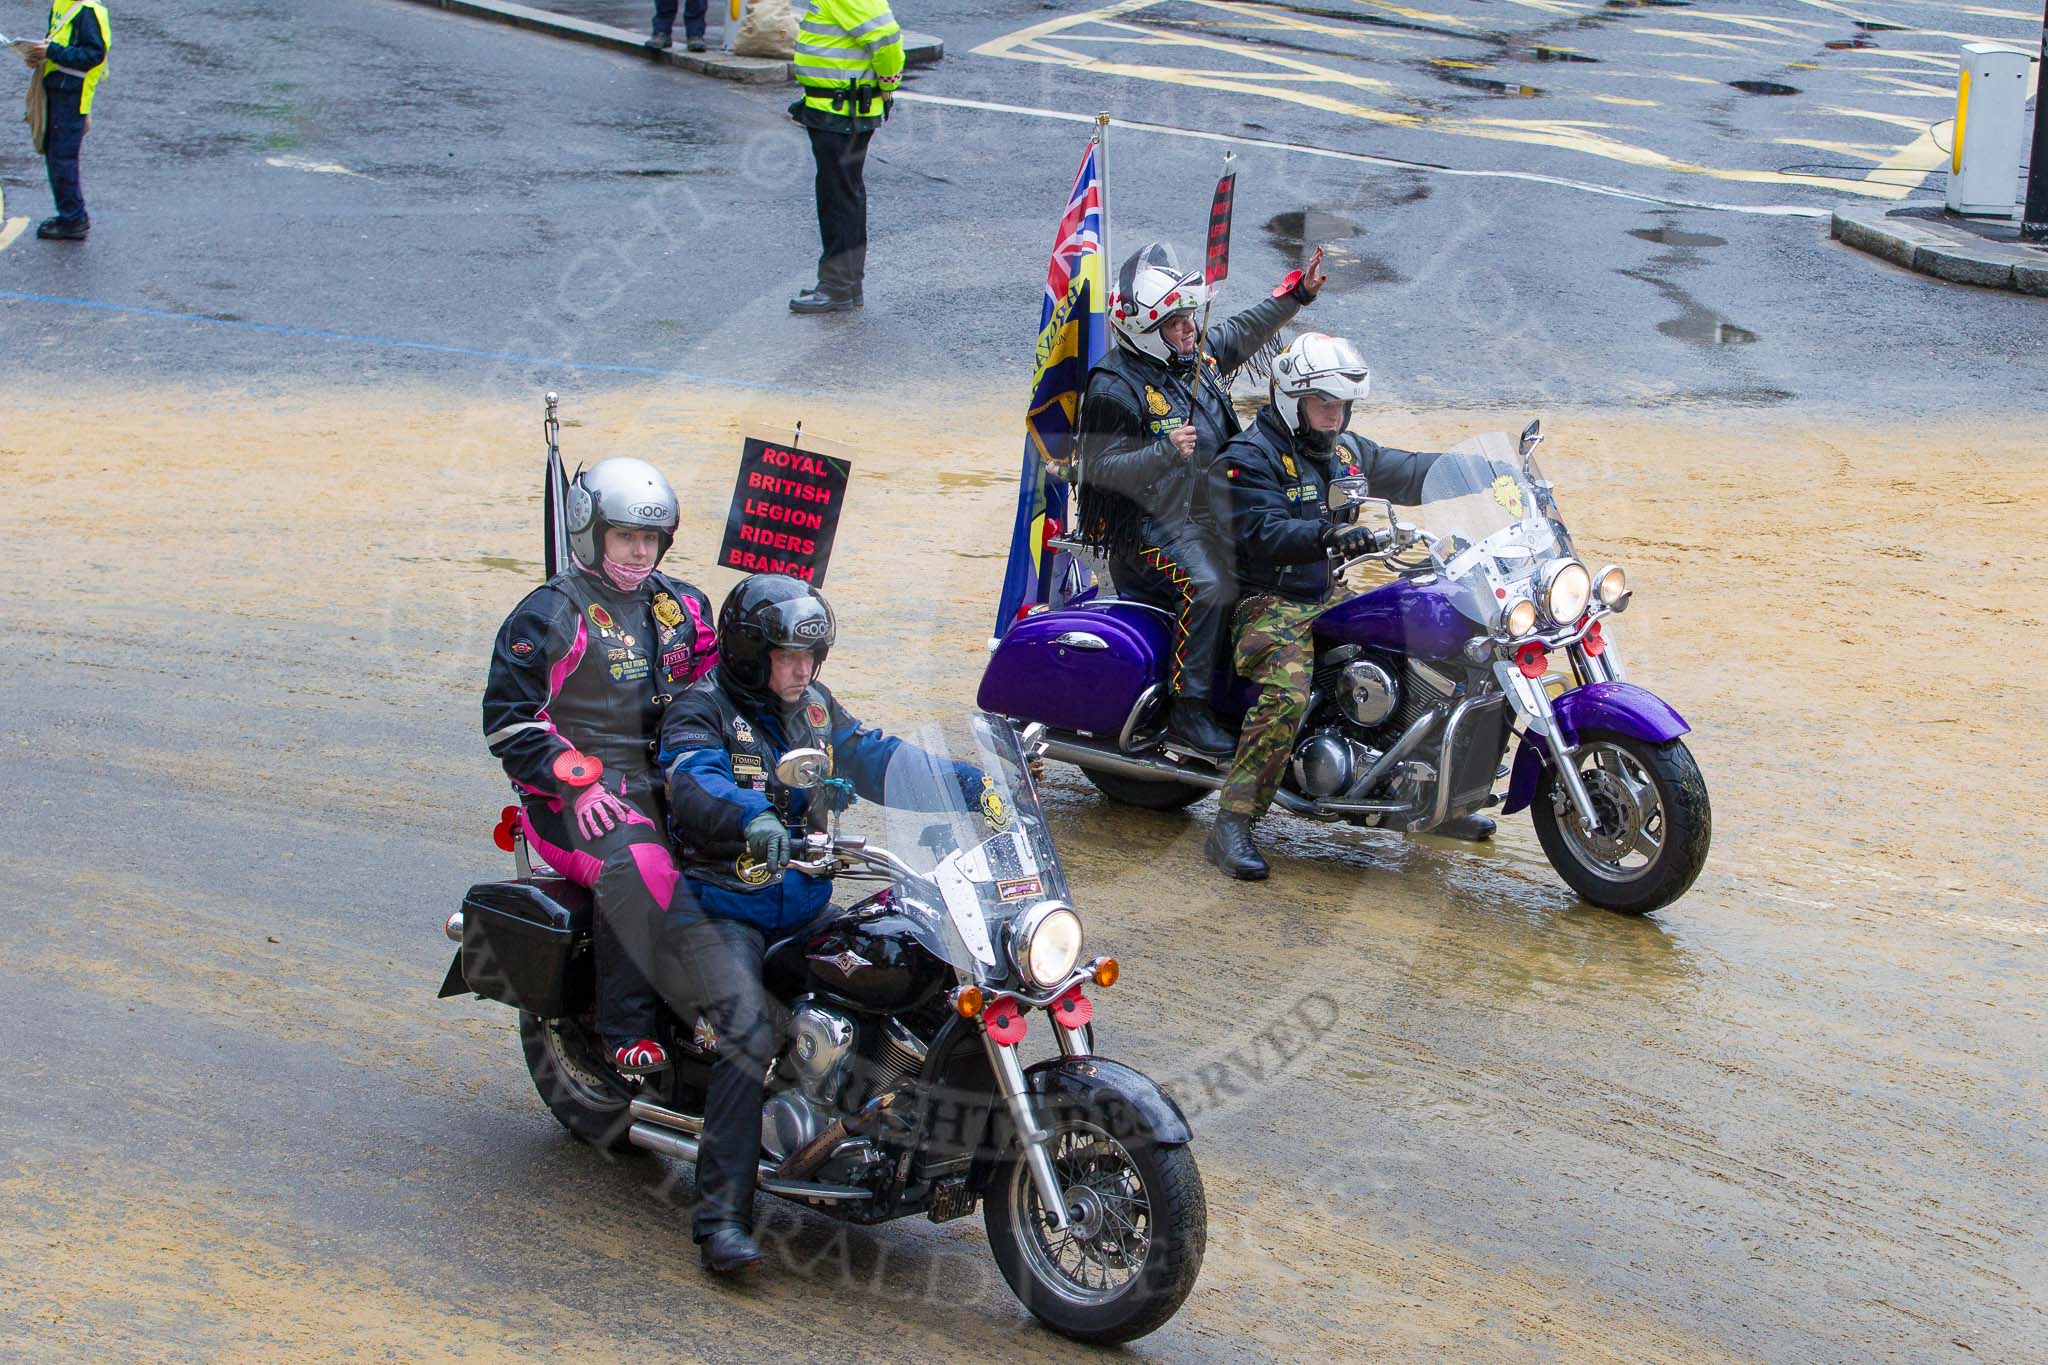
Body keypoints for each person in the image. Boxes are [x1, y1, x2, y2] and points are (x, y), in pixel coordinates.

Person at [655, 574, 983, 1273]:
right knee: (744, 1033)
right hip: (723, 908)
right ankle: (721, 1218)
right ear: (749, 653)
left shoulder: (815, 707)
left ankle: (874, 1129)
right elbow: (694, 781)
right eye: (788, 656)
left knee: (912, 965)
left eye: (812, 656)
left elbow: (881, 755)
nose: (803, 669)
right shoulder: (700, 708)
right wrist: (753, 814)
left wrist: (969, 783)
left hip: (799, 905)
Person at [1203, 332, 1493, 880]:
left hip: (1327, 592)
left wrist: (1482, 471)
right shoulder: (1248, 458)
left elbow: (1405, 470)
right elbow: (1261, 531)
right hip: (1266, 601)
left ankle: (1430, 801)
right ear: (1292, 400)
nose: (1334, 416)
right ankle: (1233, 822)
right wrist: (1327, 537)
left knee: (1426, 654)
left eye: (1341, 405)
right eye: (1322, 405)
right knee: (1286, 692)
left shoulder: (1341, 450)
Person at [482, 458, 717, 1073]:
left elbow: (722, 692)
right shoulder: (550, 614)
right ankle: (625, 1034)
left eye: (650, 539)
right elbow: (512, 723)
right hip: (572, 800)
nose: (640, 553)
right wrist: (577, 782)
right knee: (641, 868)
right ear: (591, 533)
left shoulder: (685, 607)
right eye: (625, 538)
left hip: (669, 783)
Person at [1075, 240, 1324, 758]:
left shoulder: (1194, 356)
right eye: (1176, 322)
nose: (1189, 328)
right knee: (1210, 585)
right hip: (1146, 526)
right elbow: (1095, 473)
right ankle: (1190, 714)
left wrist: (1296, 296)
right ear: (1145, 331)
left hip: (1207, 512)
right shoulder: (1112, 386)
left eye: (1189, 316)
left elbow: (1244, 330)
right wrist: (1162, 453)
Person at [785, 0, 902, 314]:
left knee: (839, 199)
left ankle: (837, 289)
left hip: (841, 113)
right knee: (843, 195)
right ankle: (845, 285)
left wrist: (889, 83)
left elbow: (887, 36)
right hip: (835, 110)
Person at [20, 0, 108, 241]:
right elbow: (58, 40)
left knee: (62, 157)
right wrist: (38, 54)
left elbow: (94, 54)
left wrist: (51, 52)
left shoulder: (88, 10)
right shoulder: (63, 3)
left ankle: (74, 219)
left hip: (71, 93)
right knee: (55, 154)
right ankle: (68, 214)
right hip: (58, 87)